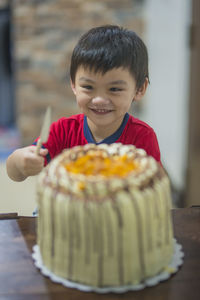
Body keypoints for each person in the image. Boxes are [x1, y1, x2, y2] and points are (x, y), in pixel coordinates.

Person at [6, 24, 161, 182]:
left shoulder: (143, 138)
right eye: (88, 87)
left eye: (114, 89)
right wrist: (20, 162)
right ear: (73, 84)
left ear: (139, 89)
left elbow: (154, 186)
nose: (99, 100)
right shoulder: (63, 132)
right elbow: (14, 173)